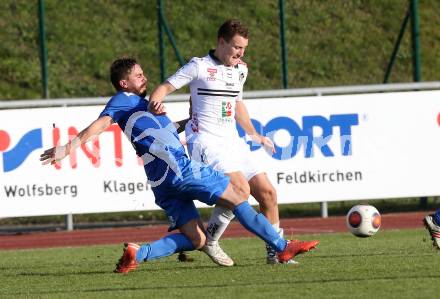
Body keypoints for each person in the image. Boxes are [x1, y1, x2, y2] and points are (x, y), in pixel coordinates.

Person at [40, 57, 319, 273]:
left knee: (197, 239)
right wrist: (67, 148)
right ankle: (282, 246)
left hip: (163, 185)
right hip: (180, 170)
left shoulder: (145, 107)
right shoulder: (122, 101)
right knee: (239, 195)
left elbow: (168, 132)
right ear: (123, 83)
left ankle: (139, 253)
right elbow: (99, 126)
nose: (144, 77)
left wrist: (191, 119)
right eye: (138, 75)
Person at [148, 19, 310, 265]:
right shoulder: (198, 66)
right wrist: (155, 103)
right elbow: (164, 87)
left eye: (244, 48)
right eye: (236, 47)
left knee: (268, 193)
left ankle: (275, 254)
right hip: (205, 141)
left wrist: (254, 133)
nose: (240, 53)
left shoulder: (240, 70)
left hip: (232, 140)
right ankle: (211, 241)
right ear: (221, 42)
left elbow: (237, 104)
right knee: (240, 191)